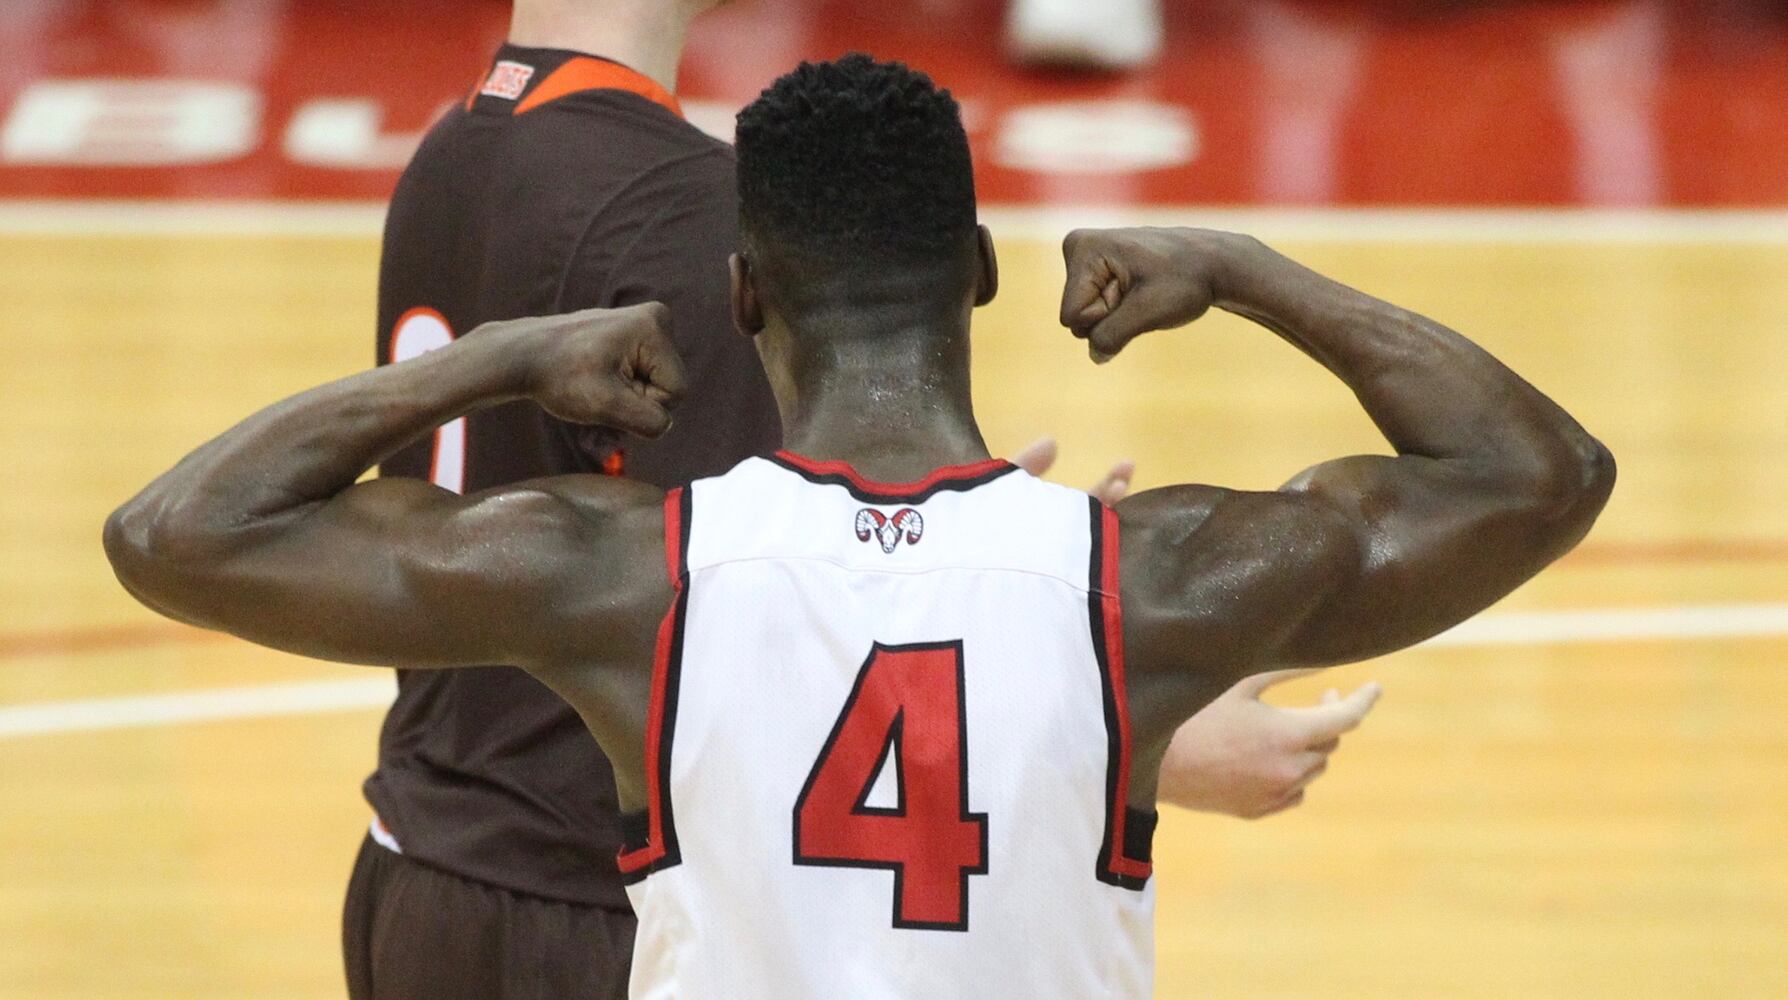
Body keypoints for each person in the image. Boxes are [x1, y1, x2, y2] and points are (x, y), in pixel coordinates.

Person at [104, 54, 1610, 996]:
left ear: (742, 294)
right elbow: (1540, 476)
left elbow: (175, 533)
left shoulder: (624, 577)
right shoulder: (1142, 584)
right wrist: (1249, 269)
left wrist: (498, 353)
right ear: (977, 268)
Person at [353, 1, 1378, 995]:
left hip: (410, 871)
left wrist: (953, 536)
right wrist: (1158, 727)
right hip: (579, 911)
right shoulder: (682, 211)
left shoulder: (453, 149)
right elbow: (766, 633)